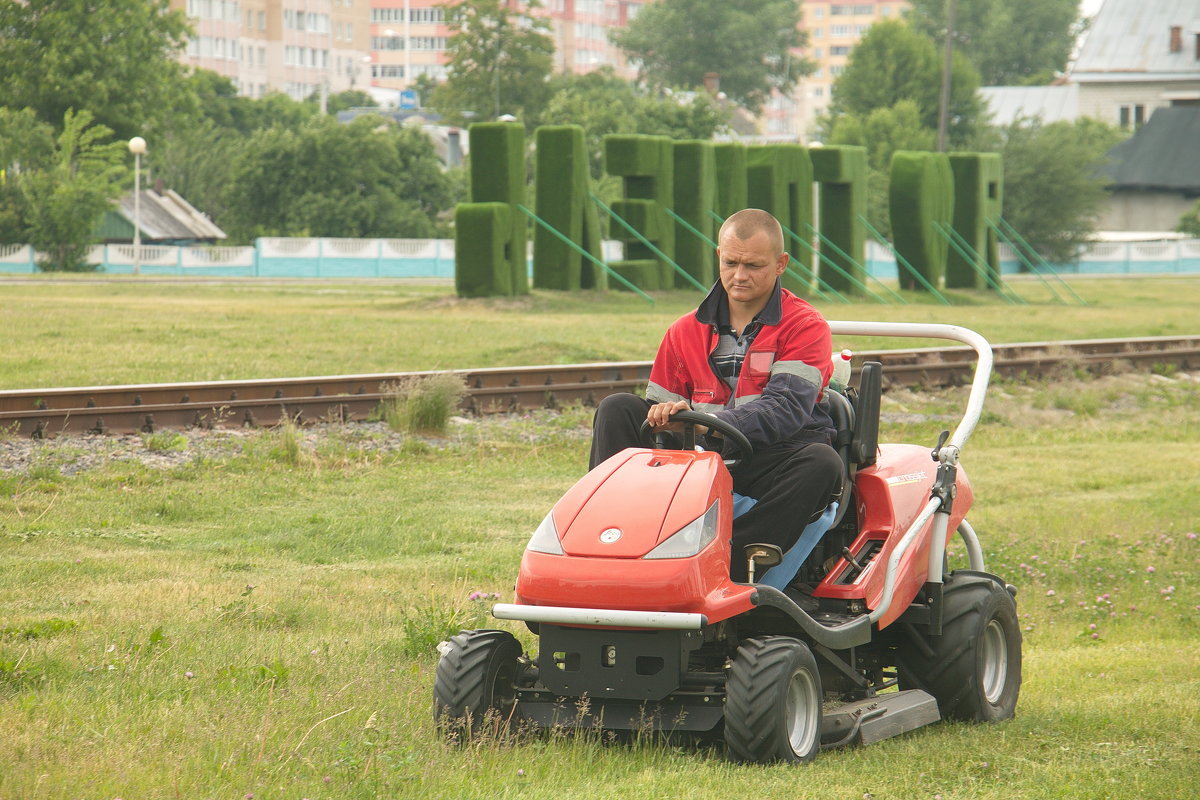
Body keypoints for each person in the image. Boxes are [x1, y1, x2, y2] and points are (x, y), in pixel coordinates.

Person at [588, 208, 843, 582]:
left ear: (780, 264)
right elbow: (654, 418)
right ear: (718, 257)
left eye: (754, 265)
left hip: (770, 459)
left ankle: (730, 566)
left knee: (822, 463)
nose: (740, 275)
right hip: (699, 459)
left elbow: (785, 410)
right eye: (731, 262)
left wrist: (710, 425)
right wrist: (665, 417)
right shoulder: (683, 331)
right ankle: (607, 538)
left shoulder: (806, 327)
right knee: (618, 409)